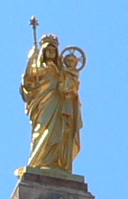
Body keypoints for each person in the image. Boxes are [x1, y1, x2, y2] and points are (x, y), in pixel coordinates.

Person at [21, 34, 83, 173]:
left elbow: (68, 86)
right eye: (48, 50)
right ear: (42, 51)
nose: (50, 53)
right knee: (42, 130)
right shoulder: (38, 68)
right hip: (42, 103)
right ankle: (38, 161)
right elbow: (28, 83)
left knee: (58, 132)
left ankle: (55, 163)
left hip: (58, 102)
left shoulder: (60, 71)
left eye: (53, 50)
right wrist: (31, 59)